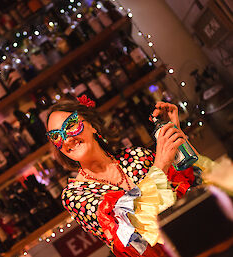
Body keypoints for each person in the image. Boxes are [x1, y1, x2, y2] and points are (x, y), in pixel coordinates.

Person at [46, 96, 210, 257]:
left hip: (195, 239)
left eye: (70, 125)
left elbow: (195, 180)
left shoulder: (136, 156)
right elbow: (130, 224)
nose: (66, 139)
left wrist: (174, 135)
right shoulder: (75, 195)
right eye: (56, 136)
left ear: (92, 125)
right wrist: (160, 165)